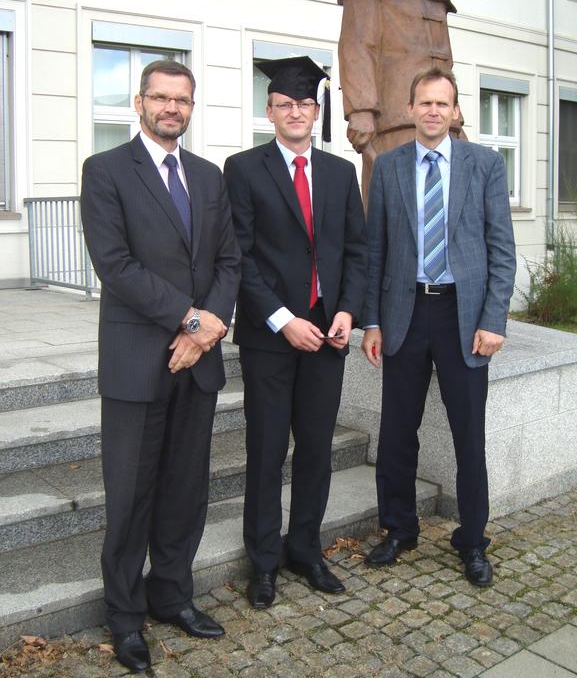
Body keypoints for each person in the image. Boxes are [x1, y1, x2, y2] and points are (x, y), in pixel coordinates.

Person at [80, 60, 240, 672]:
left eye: (182, 100)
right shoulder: (107, 171)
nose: (172, 108)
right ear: (139, 102)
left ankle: (173, 595)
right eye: (161, 98)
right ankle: (124, 617)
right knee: (131, 494)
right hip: (136, 361)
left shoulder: (208, 176)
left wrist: (208, 329)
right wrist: (191, 320)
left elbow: (230, 260)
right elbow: (115, 265)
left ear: (192, 108)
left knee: (184, 489)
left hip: (195, 363)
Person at [361, 67, 516, 587]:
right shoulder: (388, 167)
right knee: (397, 433)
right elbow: (376, 250)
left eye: (441, 104)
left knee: (468, 434)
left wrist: (494, 320)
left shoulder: (485, 164)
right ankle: (399, 529)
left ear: (455, 111)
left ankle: (473, 540)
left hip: (463, 317)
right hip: (405, 315)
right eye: (423, 103)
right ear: (410, 109)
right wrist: (373, 321)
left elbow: (501, 249)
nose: (432, 111)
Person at [223, 56, 367, 609]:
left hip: (328, 337)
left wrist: (348, 311)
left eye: (305, 103)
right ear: (270, 111)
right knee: (265, 450)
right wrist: (283, 320)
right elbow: (239, 255)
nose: (295, 112)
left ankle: (304, 548)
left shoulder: (338, 172)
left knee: (315, 450)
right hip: (270, 339)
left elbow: (355, 249)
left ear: (317, 110)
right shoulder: (242, 169)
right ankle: (263, 561)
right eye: (285, 104)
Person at [338, 0, 464, 202]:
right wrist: (362, 111)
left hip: (442, 126)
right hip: (393, 125)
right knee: (394, 218)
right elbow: (358, 48)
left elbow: (446, 65)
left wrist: (456, 122)